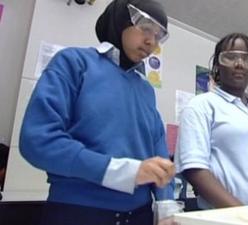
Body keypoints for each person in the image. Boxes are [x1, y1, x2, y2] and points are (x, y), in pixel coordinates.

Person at [19, 1, 175, 224]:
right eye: (145, 28)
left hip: (142, 215)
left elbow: (159, 154)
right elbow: (38, 141)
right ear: (120, 20)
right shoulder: (74, 63)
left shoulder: (146, 89)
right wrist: (127, 172)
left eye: (159, 36)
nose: (152, 42)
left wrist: (166, 207)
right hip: (78, 212)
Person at [174, 33, 248, 209]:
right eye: (230, 57)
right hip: (230, 218)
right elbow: (194, 169)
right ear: (217, 64)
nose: (239, 64)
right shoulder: (201, 105)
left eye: (247, 59)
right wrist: (246, 216)